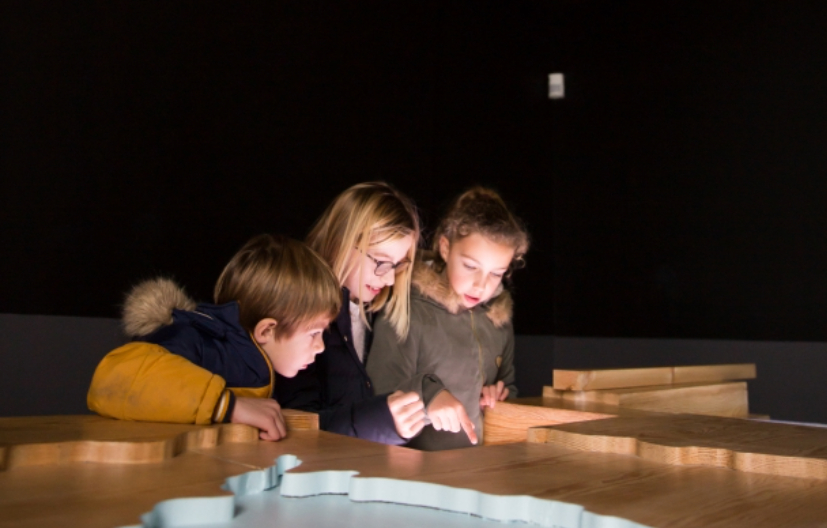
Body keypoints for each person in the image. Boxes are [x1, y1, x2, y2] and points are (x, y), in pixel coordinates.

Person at [87, 234, 341, 440]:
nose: (320, 347)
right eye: (314, 333)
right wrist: (229, 406)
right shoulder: (200, 341)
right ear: (266, 330)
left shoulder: (257, 365)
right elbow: (113, 376)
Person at [367, 186, 529, 450]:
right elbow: (380, 393)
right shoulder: (408, 309)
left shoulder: (499, 320)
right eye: (470, 266)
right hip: (417, 474)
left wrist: (499, 397)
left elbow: (508, 385)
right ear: (445, 248)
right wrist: (429, 399)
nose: (480, 285)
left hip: (481, 471)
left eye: (496, 273)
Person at [275, 182, 426, 444]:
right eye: (380, 261)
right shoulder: (298, 309)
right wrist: (382, 420)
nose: (390, 278)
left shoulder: (377, 311)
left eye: (398, 265)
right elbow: (298, 424)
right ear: (341, 241)